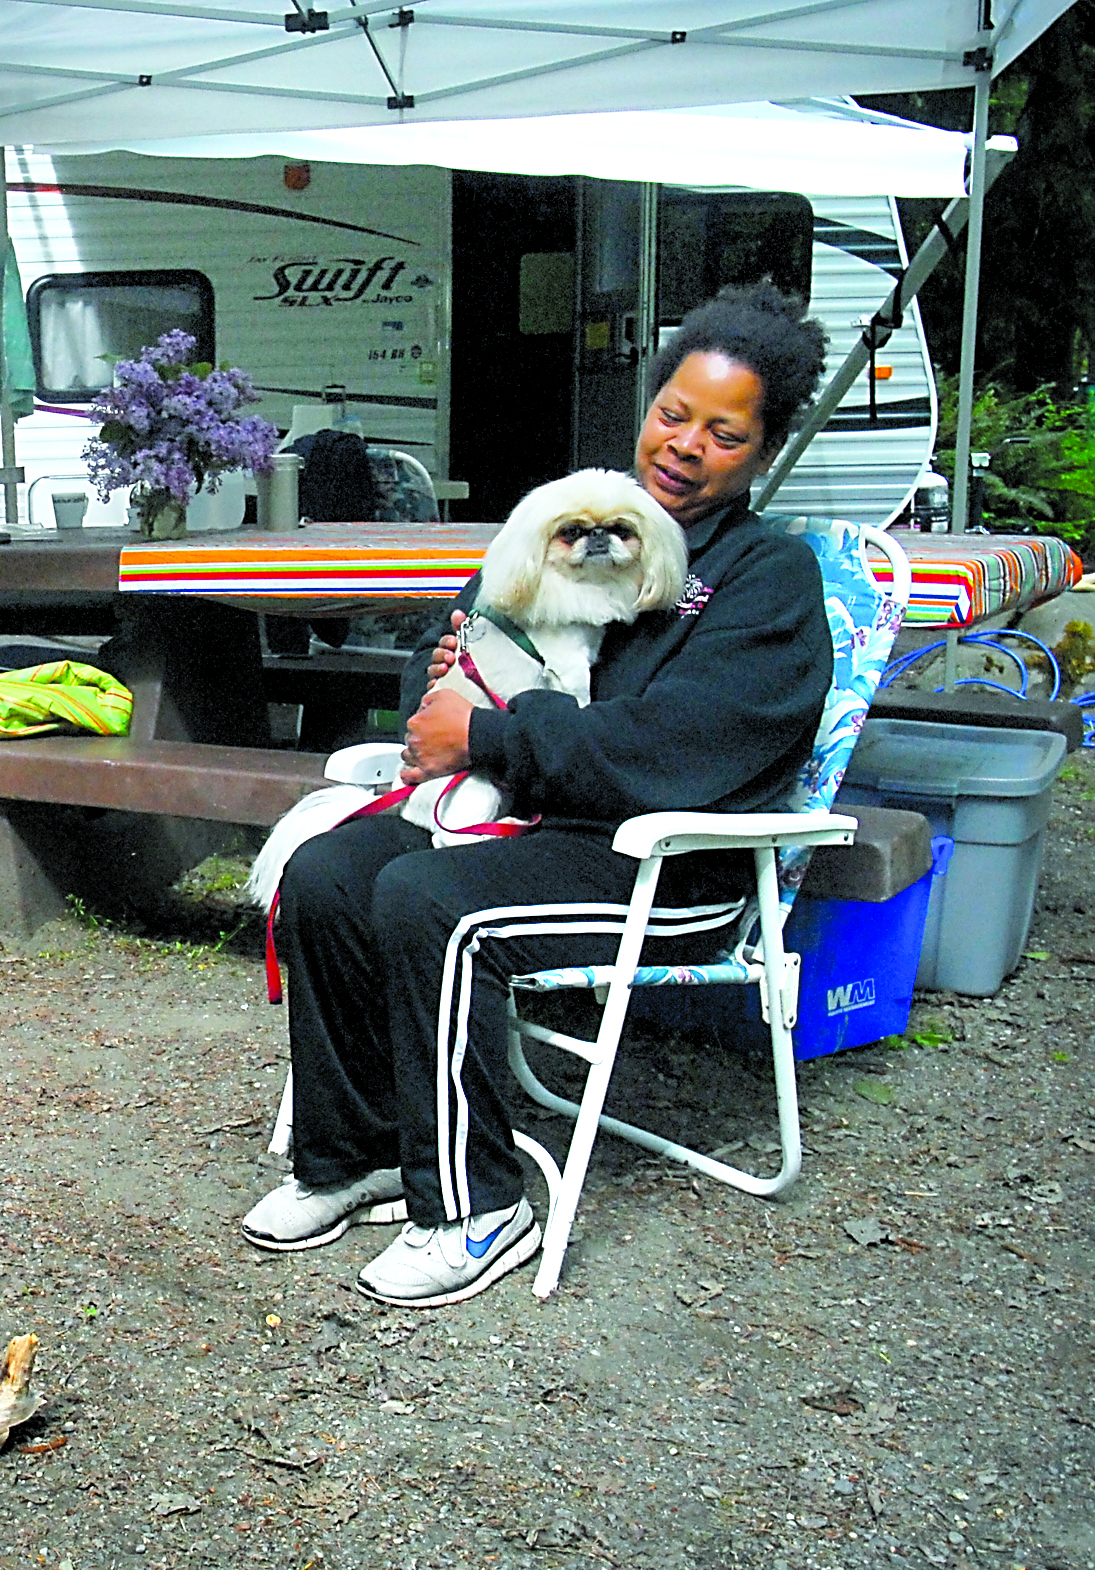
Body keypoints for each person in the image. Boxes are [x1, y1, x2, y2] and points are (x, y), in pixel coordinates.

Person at [241, 282, 833, 1307]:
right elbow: (447, 670)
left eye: (724, 433)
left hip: (666, 862)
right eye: (672, 413)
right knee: (332, 870)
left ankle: (474, 1207)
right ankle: (356, 1151)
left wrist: (487, 731)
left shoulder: (762, 581)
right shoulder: (567, 516)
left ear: (763, 451)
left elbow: (659, 753)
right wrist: (446, 694)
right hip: (529, 814)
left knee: (432, 904)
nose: (685, 444)